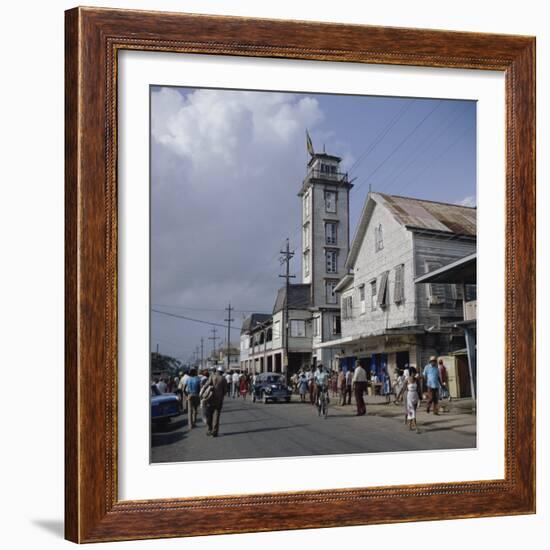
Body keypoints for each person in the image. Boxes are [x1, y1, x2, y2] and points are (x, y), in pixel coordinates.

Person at [203, 366, 228, 437]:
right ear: (222, 372)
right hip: (219, 400)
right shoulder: (223, 379)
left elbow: (206, 385)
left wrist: (203, 393)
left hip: (210, 399)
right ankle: (214, 432)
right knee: (216, 416)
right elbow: (225, 391)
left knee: (209, 415)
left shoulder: (212, 376)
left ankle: (209, 430)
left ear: (217, 370)